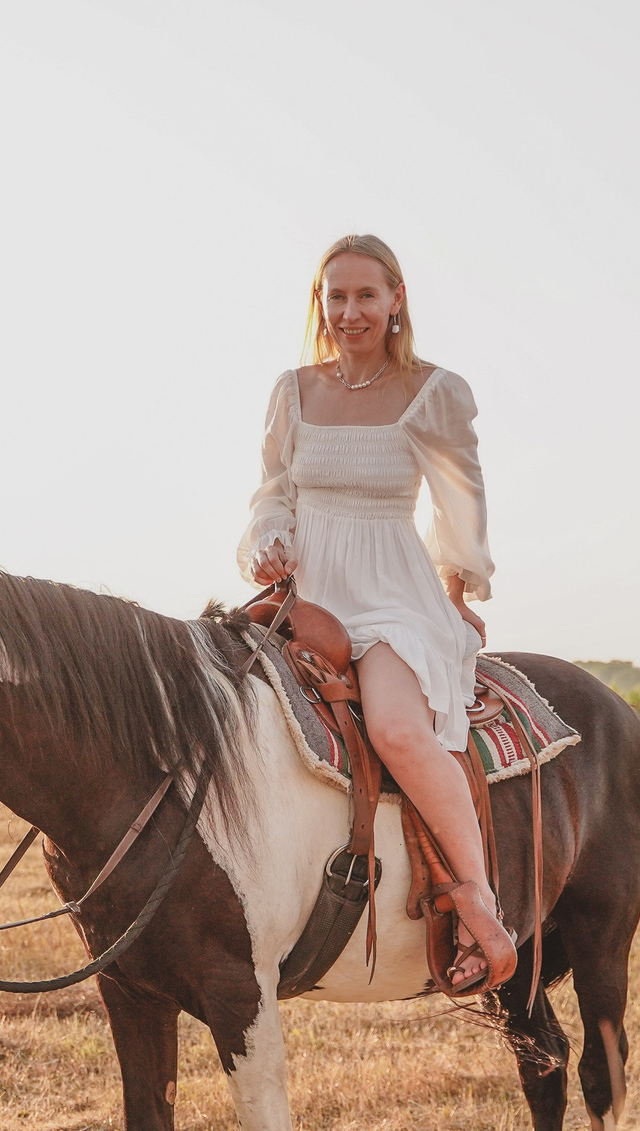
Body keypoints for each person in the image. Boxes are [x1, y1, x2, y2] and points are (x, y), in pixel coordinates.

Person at [242, 233, 515, 990]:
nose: (351, 311)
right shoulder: (293, 390)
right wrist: (271, 539)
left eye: (367, 295)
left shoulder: (432, 390)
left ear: (396, 301)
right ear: (320, 305)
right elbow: (274, 487)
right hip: (309, 593)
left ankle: (476, 896)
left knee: (396, 727)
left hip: (391, 595)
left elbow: (463, 499)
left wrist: (458, 585)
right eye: (337, 296)